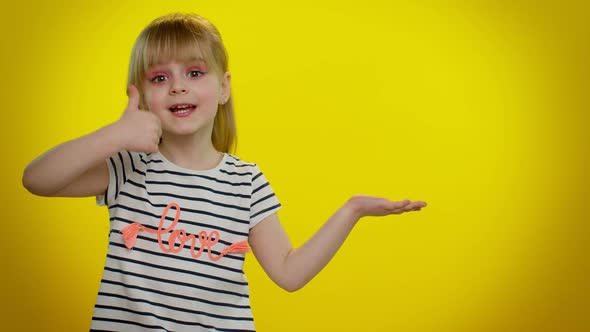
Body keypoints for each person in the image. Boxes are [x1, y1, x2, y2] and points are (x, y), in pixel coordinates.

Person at [22, 13, 427, 332]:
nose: (178, 87)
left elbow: (289, 272)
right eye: (160, 78)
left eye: (194, 73)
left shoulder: (246, 182)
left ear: (223, 87)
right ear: (143, 95)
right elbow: (37, 179)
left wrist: (351, 211)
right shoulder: (128, 167)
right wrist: (114, 135)